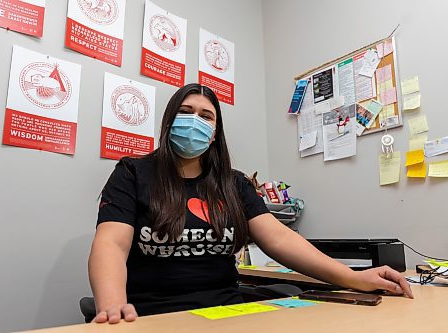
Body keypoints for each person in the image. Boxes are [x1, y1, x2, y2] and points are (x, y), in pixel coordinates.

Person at [89, 83, 413, 324]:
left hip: (226, 313)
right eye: (185, 113)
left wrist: (355, 278)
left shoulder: (235, 183)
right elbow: (111, 245)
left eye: (206, 116)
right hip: (153, 316)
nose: (194, 121)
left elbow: (281, 240)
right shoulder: (132, 173)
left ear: (214, 133)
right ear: (169, 121)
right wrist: (112, 305)